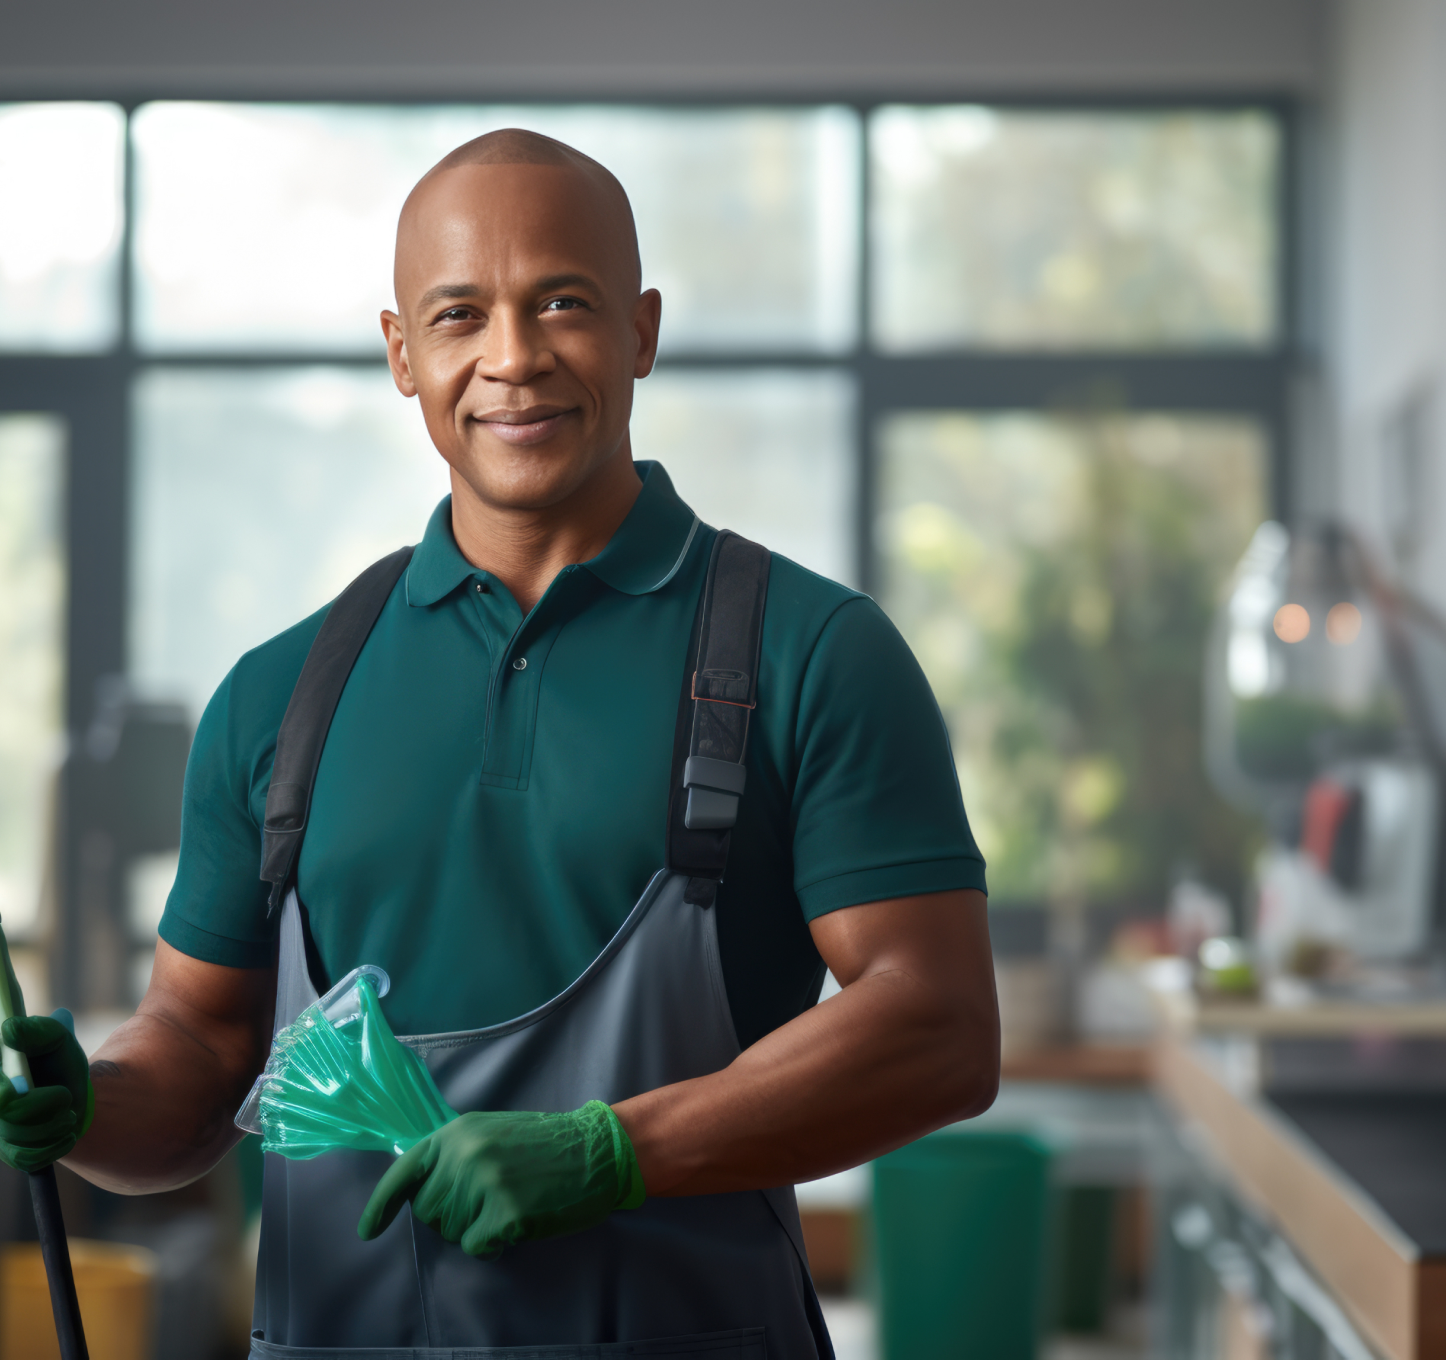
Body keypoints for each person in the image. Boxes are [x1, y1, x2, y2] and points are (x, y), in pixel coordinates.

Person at [0, 130, 999, 1357]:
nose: (512, 359)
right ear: (402, 354)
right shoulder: (280, 697)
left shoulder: (814, 653)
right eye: (461, 315)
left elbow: (940, 1025)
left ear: (640, 331)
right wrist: (87, 1102)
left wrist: (614, 1150)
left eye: (563, 304)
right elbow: (205, 1053)